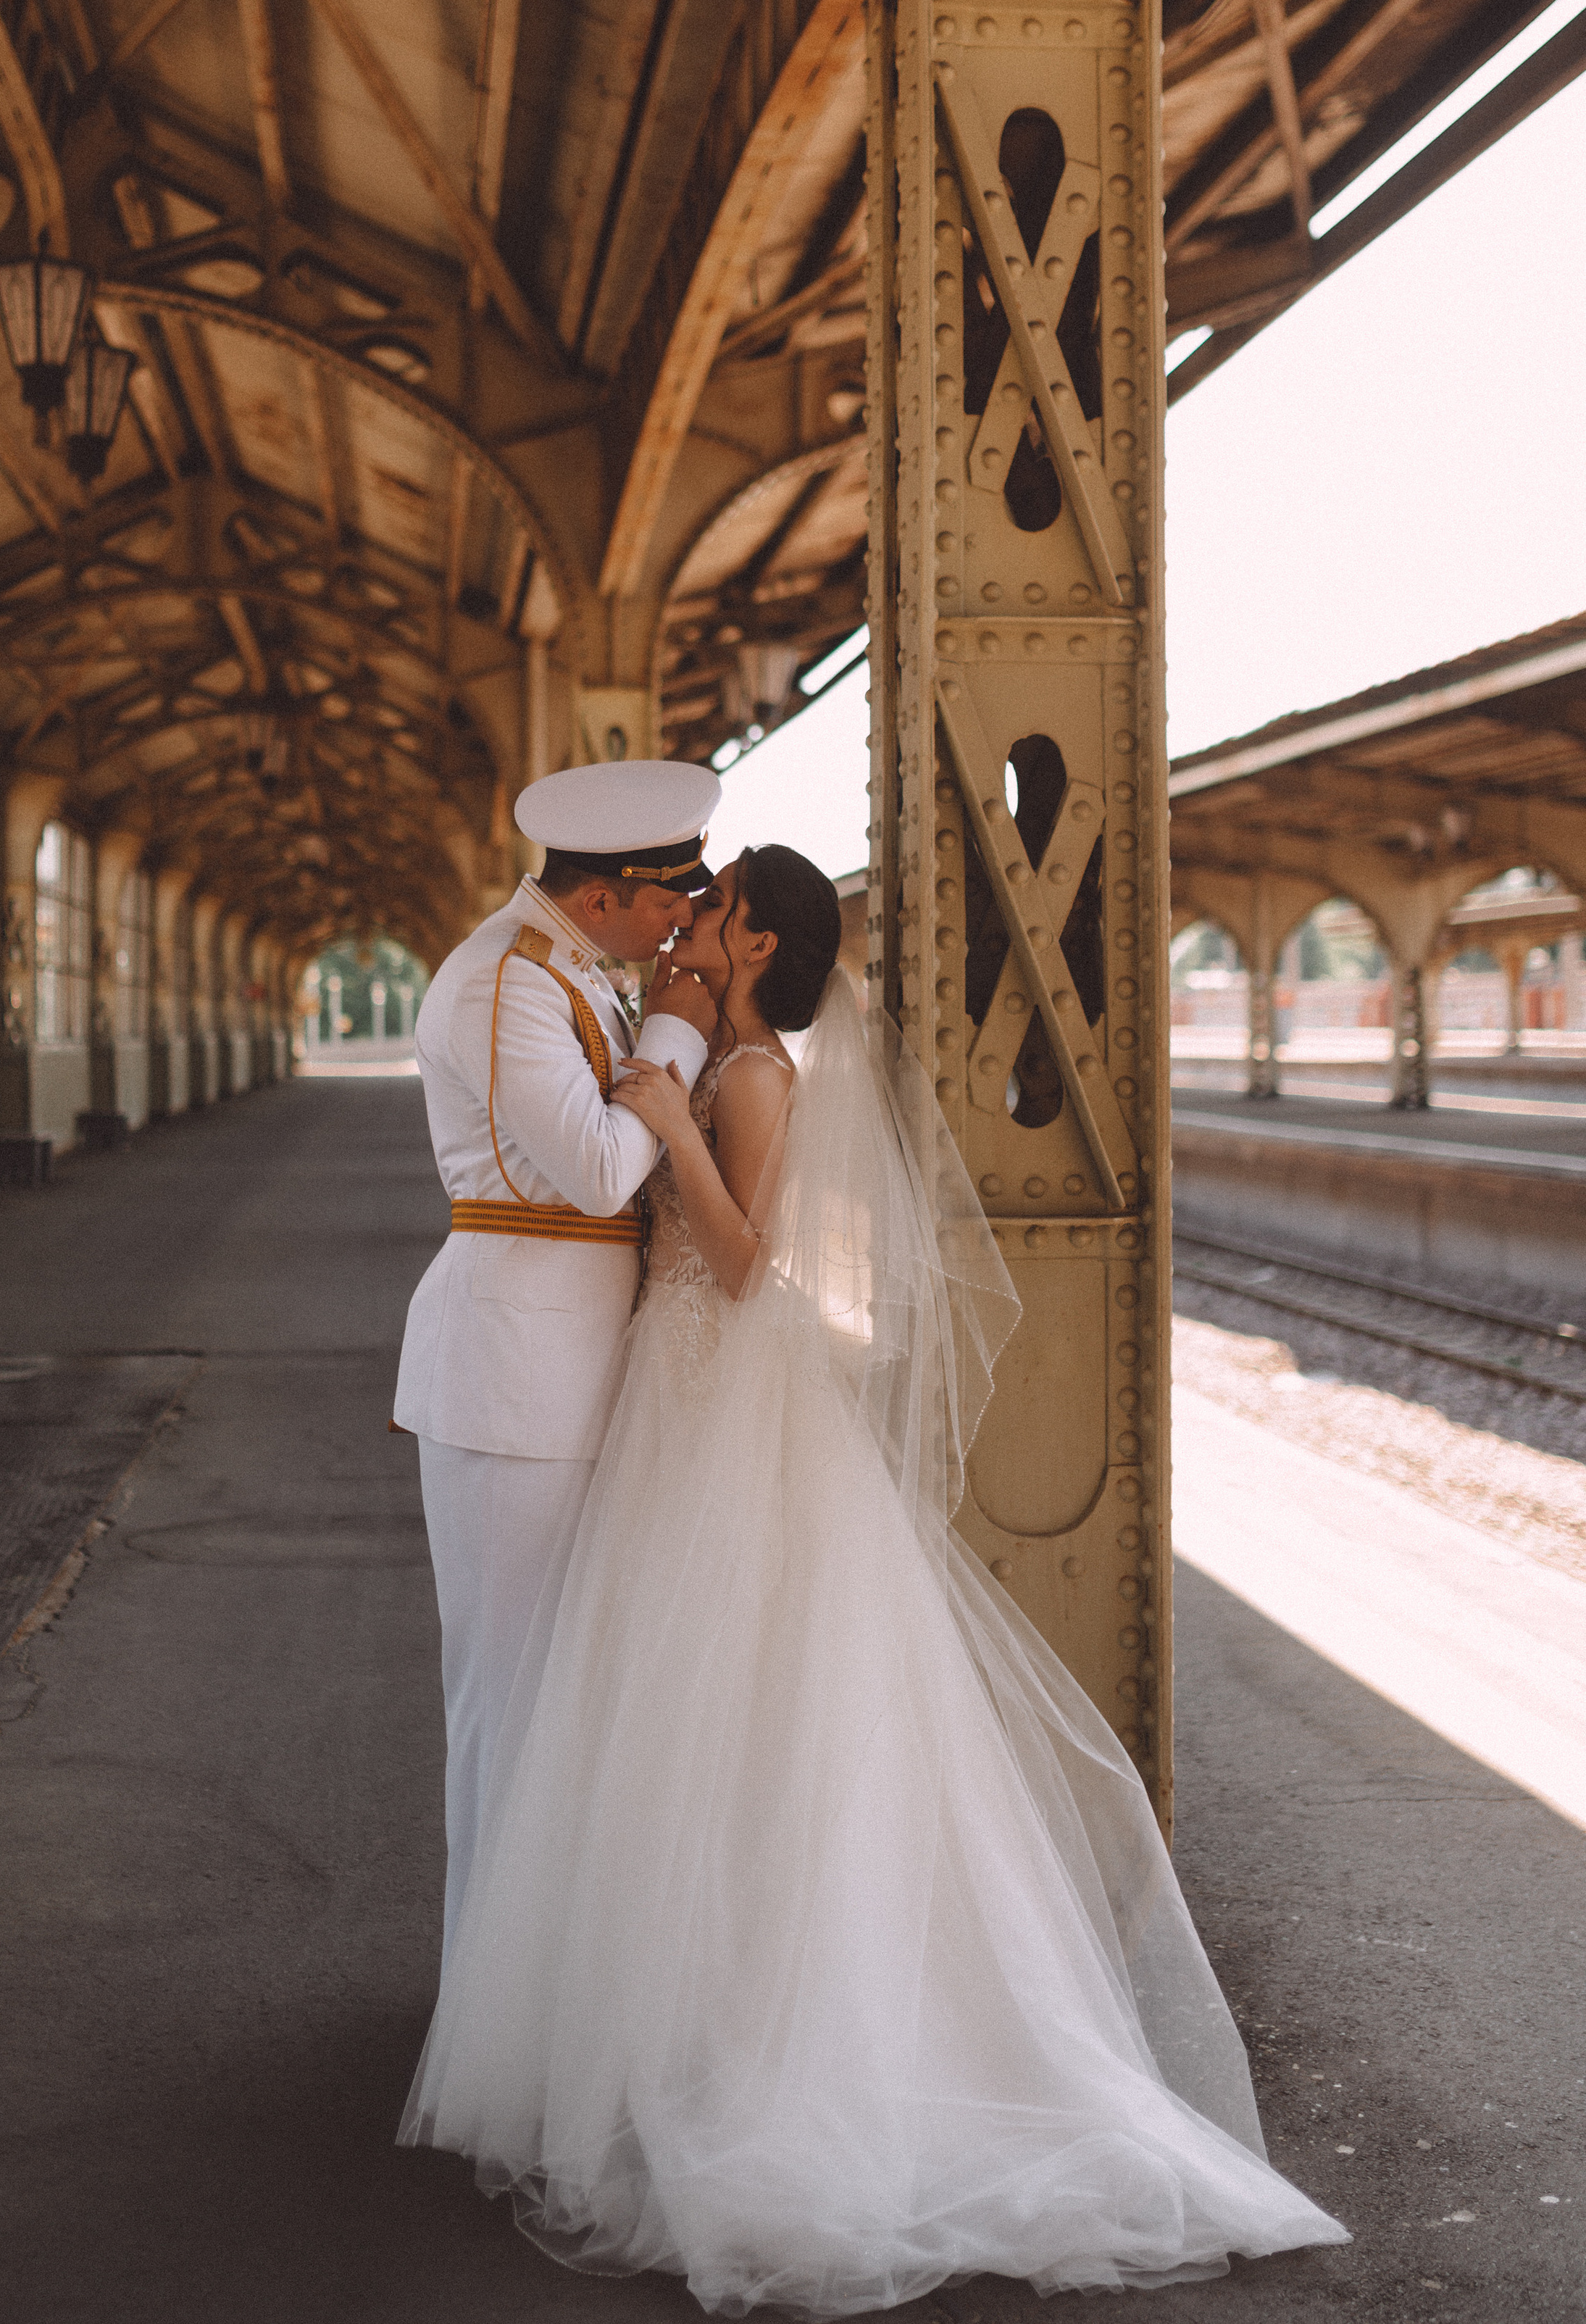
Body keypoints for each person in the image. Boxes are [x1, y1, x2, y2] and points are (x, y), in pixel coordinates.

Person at [401, 843, 1351, 2315]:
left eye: (707, 912)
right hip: (675, 1406)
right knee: (684, 1730)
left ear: (757, 944)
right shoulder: (714, 1058)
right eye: (676, 904)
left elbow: (738, 1262)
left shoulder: (752, 1076)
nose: (684, 928)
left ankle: (746, 2044)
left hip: (717, 1409)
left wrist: (668, 1121)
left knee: (735, 1711)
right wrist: (663, 1096)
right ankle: (676, 2024)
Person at [393, 759, 722, 1973]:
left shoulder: (575, 967)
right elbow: (594, 1168)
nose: (681, 915)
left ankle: (540, 1995)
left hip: (572, 1371)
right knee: (510, 1704)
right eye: (668, 894)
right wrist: (683, 1036)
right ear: (603, 896)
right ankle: (491, 1993)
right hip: (513, 1376)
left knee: (563, 1703)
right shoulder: (503, 981)